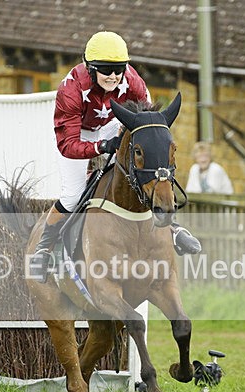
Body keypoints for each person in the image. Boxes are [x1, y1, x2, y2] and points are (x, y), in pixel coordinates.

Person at [28, 31, 201, 280]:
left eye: (118, 69)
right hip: (79, 134)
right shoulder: (71, 90)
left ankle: (172, 229)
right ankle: (44, 249)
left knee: (141, 176)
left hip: (114, 122)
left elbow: (149, 121)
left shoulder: (133, 81)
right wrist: (101, 147)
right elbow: (68, 146)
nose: (113, 76)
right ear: (90, 68)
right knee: (73, 195)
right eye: (106, 70)